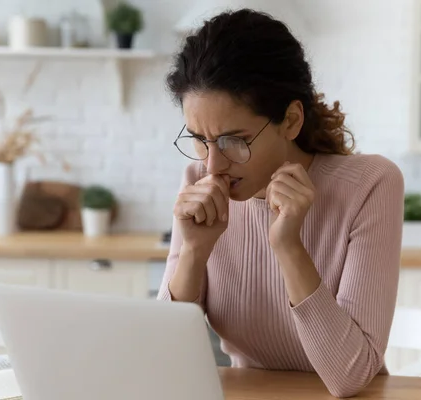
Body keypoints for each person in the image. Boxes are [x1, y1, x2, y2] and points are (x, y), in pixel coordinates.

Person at [157, 8, 404, 398]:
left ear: (290, 120)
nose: (213, 165)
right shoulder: (198, 182)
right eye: (199, 140)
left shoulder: (370, 185)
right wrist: (193, 251)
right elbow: (159, 362)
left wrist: (288, 245)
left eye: (233, 140)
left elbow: (349, 376)